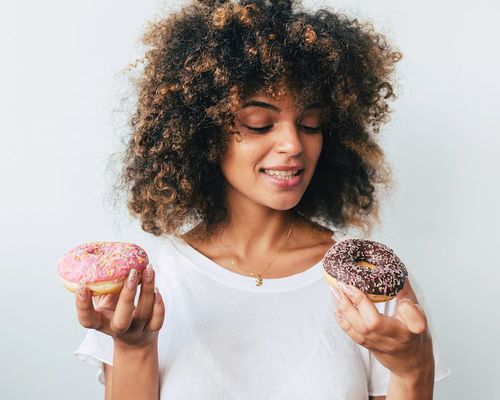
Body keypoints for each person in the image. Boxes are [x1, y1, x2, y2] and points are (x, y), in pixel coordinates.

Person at [73, 0, 451, 398]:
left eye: (310, 124)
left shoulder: (368, 285)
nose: (293, 144)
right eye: (259, 124)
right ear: (201, 133)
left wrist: (413, 368)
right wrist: (134, 346)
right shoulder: (149, 287)